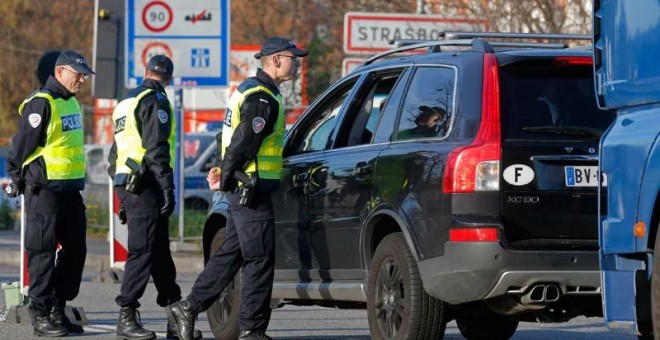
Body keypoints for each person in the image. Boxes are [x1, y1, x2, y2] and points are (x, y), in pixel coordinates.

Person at [167, 36, 308, 340]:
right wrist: (229, 176)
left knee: (232, 252)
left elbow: (228, 137)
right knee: (259, 259)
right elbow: (244, 144)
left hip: (243, 187)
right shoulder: (263, 97)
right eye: (292, 57)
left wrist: (223, 171)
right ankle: (251, 330)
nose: (297, 63)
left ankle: (188, 308)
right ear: (275, 60)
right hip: (250, 190)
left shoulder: (251, 89)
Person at [107, 55, 200, 340]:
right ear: (169, 80)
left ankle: (175, 314)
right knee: (143, 250)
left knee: (159, 251)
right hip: (146, 184)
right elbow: (156, 148)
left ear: (145, 72)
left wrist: (121, 190)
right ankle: (127, 314)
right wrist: (168, 188)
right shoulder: (156, 100)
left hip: (128, 181)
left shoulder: (126, 102)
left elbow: (114, 154)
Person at [5, 50, 94, 337]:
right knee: (42, 254)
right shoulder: (41, 104)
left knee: (76, 251)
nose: (82, 79)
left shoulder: (72, 104)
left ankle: (58, 306)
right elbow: (20, 148)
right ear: (59, 73)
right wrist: (16, 179)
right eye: (77, 73)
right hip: (43, 191)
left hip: (69, 190)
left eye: (84, 75)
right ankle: (40, 312)